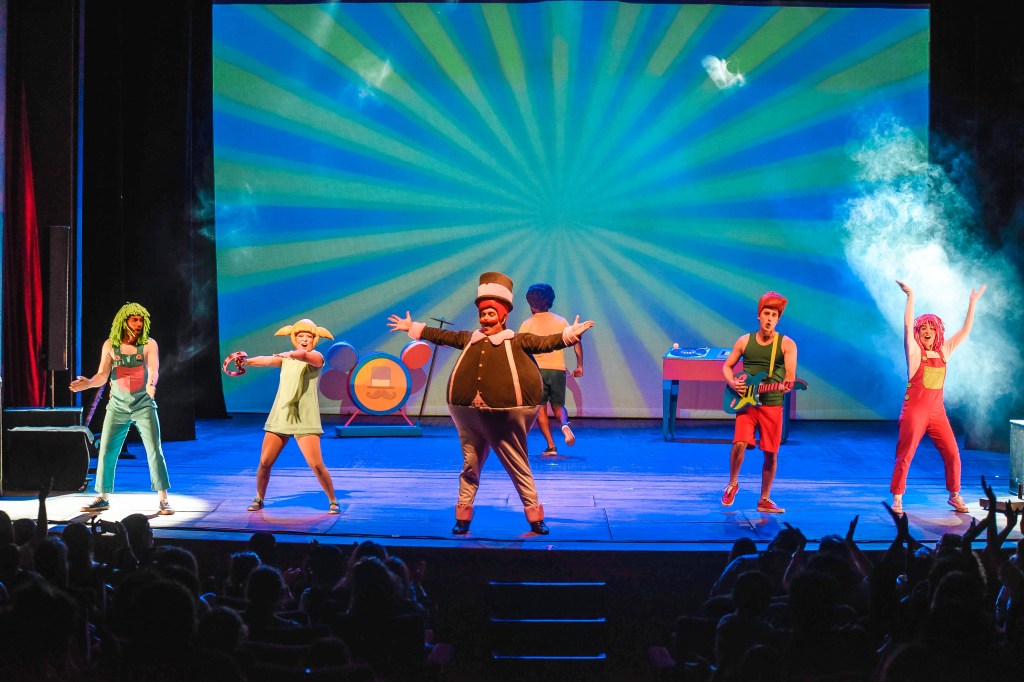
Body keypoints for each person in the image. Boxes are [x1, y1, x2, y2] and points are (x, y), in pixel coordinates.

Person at [388, 271, 594, 535]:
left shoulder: (516, 340)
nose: (485, 319)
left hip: (504, 417)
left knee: (518, 466)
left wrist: (569, 335)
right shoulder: (469, 338)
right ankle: (463, 517)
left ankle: (534, 517)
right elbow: (443, 336)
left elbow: (544, 343)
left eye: (490, 314)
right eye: (483, 314)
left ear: (503, 316)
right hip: (469, 415)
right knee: (470, 466)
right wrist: (413, 328)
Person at [889, 280, 985, 515]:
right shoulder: (914, 353)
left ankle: (954, 494)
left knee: (953, 453)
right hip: (914, 412)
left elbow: (965, 331)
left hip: (937, 412)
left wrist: (972, 303)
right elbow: (906, 325)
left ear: (937, 332)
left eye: (931, 328)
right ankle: (898, 498)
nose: (927, 332)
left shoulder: (943, 352)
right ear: (918, 333)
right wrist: (910, 296)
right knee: (905, 454)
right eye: (923, 328)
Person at [71, 302, 173, 515]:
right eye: (134, 319)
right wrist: (89, 383)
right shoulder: (110, 345)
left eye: (141, 320)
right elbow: (102, 375)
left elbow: (153, 369)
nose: (139, 323)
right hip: (117, 407)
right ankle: (102, 497)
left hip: (143, 405)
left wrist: (151, 384)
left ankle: (163, 499)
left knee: (154, 450)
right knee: (107, 451)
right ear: (124, 321)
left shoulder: (148, 344)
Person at [235, 319, 340, 513]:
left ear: (314, 339)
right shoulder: (285, 359)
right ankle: (259, 498)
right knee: (265, 462)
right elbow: (267, 360)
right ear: (294, 338)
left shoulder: (316, 357)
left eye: (308, 336)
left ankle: (333, 500)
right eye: (301, 336)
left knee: (316, 464)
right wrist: (247, 362)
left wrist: (291, 354)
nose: (304, 339)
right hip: (281, 415)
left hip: (304, 417)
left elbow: (304, 356)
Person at [721, 291, 797, 513]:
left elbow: (790, 374)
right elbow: (727, 366)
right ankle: (732, 484)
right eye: (766, 313)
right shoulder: (745, 341)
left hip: (772, 403)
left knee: (771, 453)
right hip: (747, 403)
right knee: (739, 443)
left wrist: (788, 383)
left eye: (774, 315)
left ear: (778, 319)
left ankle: (764, 499)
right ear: (759, 315)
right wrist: (733, 383)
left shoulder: (787, 344)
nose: (769, 318)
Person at [518, 283, 584, 456]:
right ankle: (564, 425)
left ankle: (551, 446)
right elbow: (576, 340)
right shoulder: (560, 321)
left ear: (531, 303)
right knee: (558, 406)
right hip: (557, 370)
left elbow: (520, 350)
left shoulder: (527, 324)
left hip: (537, 371)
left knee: (540, 408)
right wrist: (579, 365)